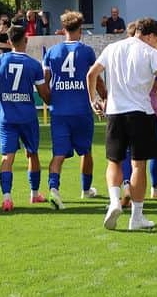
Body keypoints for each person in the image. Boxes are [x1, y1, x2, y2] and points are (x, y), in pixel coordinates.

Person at [87, 17, 157, 231]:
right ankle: (136, 217)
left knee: (114, 162)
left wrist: (93, 100)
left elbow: (91, 73)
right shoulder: (150, 52)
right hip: (141, 113)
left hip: (114, 112)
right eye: (156, 41)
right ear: (150, 35)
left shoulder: (112, 48)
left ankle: (114, 201)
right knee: (138, 165)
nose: (155, 45)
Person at [0, 26, 50, 211]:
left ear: (9, 42)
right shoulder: (34, 65)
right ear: (26, 39)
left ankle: (7, 198)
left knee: (7, 157)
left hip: (6, 118)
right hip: (27, 117)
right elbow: (44, 95)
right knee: (32, 153)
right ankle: (34, 194)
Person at [43, 11, 102, 209]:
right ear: (80, 28)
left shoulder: (51, 52)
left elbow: (44, 82)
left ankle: (53, 189)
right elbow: (96, 78)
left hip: (59, 110)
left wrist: (51, 99)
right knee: (86, 151)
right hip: (81, 110)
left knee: (58, 154)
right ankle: (86, 190)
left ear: (63, 29)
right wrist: (104, 97)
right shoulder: (86, 51)